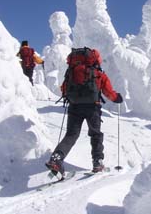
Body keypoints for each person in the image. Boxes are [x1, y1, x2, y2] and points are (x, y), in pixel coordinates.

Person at [46, 47, 123, 175]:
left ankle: (56, 158)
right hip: (92, 107)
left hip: (74, 107)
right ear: (95, 59)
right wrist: (117, 98)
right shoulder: (98, 74)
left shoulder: (72, 72)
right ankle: (97, 162)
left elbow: (64, 89)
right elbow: (108, 92)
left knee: (71, 135)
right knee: (95, 134)